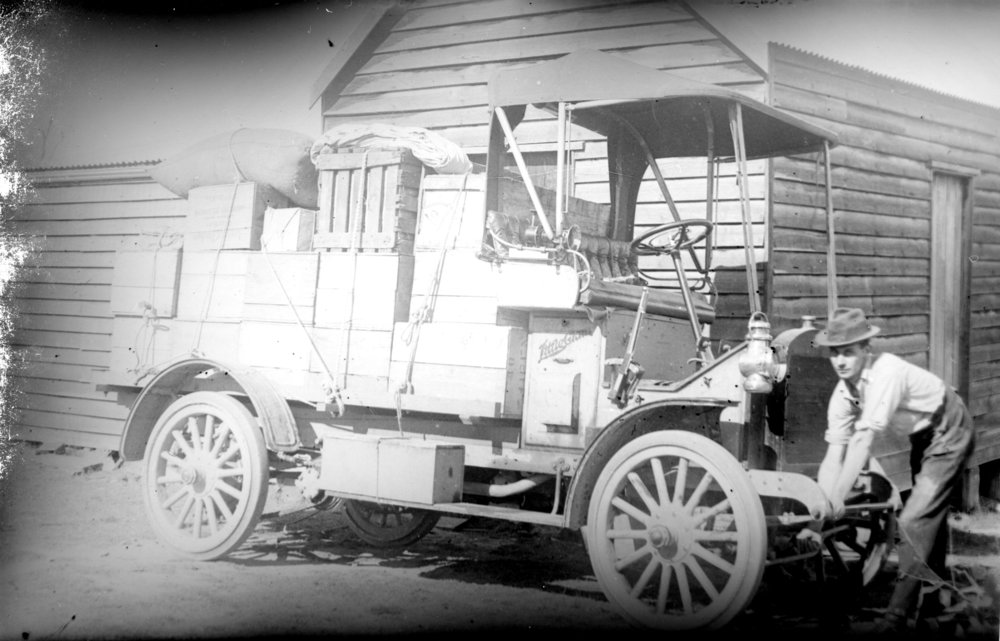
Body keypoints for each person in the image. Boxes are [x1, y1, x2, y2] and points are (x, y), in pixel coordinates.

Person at [812, 307, 975, 634]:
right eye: (835, 354)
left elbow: (861, 443)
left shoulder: (886, 373)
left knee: (914, 520)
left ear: (865, 350)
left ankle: (894, 619)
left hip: (950, 429)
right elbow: (834, 454)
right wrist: (827, 503)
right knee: (930, 525)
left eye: (848, 352)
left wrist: (840, 497)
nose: (840, 361)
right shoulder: (843, 394)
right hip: (923, 437)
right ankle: (938, 609)